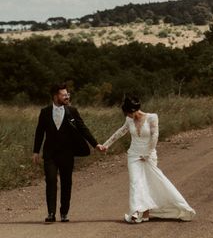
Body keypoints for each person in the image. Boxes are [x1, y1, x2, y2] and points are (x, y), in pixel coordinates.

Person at [100, 96, 196, 224]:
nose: (128, 116)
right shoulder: (129, 119)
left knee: (149, 183)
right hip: (134, 155)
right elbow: (120, 132)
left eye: (130, 113)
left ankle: (146, 213)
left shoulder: (152, 117)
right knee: (135, 183)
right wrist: (106, 144)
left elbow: (155, 136)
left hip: (149, 155)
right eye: (127, 114)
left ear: (135, 110)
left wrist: (148, 153)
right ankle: (136, 211)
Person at [32, 83, 99, 223]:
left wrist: (95, 144)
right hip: (50, 154)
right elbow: (39, 132)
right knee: (50, 180)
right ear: (55, 96)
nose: (66, 97)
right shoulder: (44, 112)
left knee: (66, 182)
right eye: (63, 95)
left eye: (67, 94)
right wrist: (35, 151)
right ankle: (51, 213)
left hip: (67, 153)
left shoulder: (72, 111)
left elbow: (83, 128)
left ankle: (64, 213)